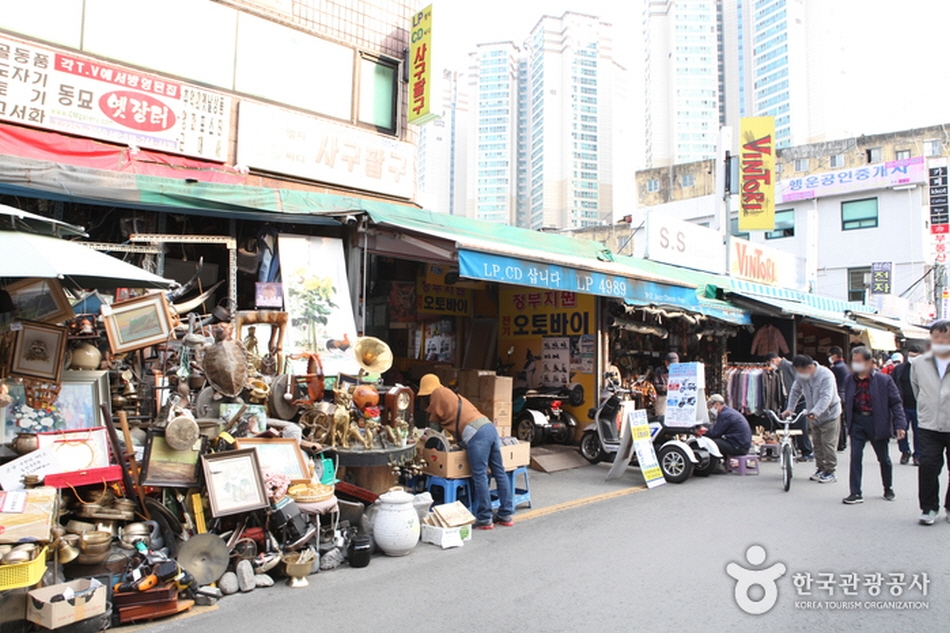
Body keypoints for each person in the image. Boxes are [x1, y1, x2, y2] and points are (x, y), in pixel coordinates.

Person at [417, 374, 514, 530]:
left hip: (476, 434)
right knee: (499, 471)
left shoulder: (437, 394)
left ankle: (485, 518)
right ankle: (506, 514)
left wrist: (424, 438)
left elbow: (434, 431)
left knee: (479, 475)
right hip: (488, 428)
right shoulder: (450, 394)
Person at [841, 347, 907, 505]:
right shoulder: (850, 380)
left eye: (859, 361)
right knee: (855, 456)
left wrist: (900, 425)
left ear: (869, 362)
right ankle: (855, 492)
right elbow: (846, 398)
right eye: (854, 361)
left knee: (883, 457)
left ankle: (888, 487)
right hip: (857, 421)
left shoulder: (883, 380)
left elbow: (896, 403)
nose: (856, 364)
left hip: (877, 421)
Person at [912, 321, 950, 525]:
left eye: (946, 336)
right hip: (929, 424)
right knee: (927, 465)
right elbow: (917, 390)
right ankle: (929, 508)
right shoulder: (919, 363)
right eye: (937, 336)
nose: (941, 340)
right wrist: (927, 408)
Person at [782, 355, 841, 484]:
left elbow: (827, 396)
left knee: (828, 444)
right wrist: (790, 408)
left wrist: (816, 411)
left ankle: (830, 471)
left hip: (829, 414)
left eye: (800, 371)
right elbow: (795, 391)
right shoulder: (803, 375)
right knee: (817, 444)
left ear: (809, 367)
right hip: (813, 414)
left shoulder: (826, 375)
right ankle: (820, 468)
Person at [768, 352, 814, 461]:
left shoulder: (788, 366)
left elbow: (798, 385)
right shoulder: (780, 369)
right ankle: (798, 449)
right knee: (791, 425)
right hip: (790, 399)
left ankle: (807, 451)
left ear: (773, 360)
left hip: (800, 400)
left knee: (801, 426)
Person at [892, 344, 922, 465]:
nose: (912, 358)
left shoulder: (923, 370)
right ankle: (905, 452)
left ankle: (918, 455)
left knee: (918, 432)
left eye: (915, 356)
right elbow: (892, 384)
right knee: (901, 430)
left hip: (919, 406)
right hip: (902, 406)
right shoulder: (900, 369)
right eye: (910, 355)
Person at [827, 346, 850, 451]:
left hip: (839, 395)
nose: (829, 357)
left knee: (838, 421)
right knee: (843, 421)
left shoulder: (836, 368)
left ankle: (839, 442)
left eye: (830, 355)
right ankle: (843, 442)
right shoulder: (845, 366)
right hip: (845, 395)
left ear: (835, 356)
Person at [652, 352, 679, 416]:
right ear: (666, 362)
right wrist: (664, 387)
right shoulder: (659, 370)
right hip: (663, 397)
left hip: (676, 397)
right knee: (661, 416)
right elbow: (656, 385)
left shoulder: (678, 370)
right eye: (671, 364)